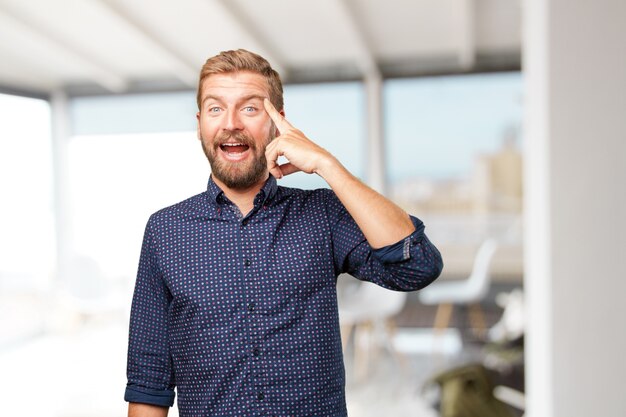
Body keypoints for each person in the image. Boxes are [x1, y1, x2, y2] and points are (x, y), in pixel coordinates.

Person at [124, 49, 443, 417]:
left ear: (278, 123)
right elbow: (149, 382)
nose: (230, 124)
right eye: (215, 109)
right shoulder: (166, 231)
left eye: (249, 108)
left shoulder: (322, 215)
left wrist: (327, 164)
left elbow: (417, 266)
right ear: (200, 125)